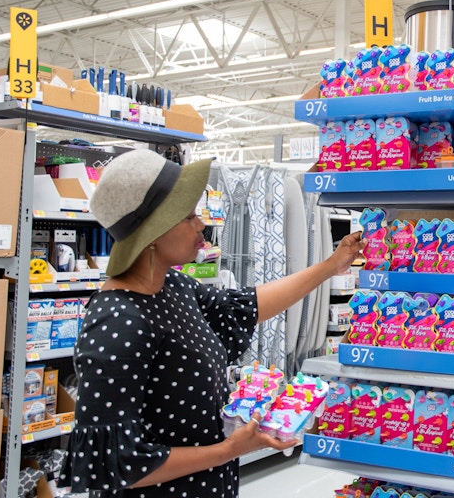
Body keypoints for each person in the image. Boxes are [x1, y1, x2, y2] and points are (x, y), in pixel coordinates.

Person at [58, 150, 365, 497]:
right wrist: (231, 449)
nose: (201, 224)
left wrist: (334, 263)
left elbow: (249, 306)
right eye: (188, 216)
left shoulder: (173, 287)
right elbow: (119, 465)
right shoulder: (118, 324)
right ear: (153, 232)